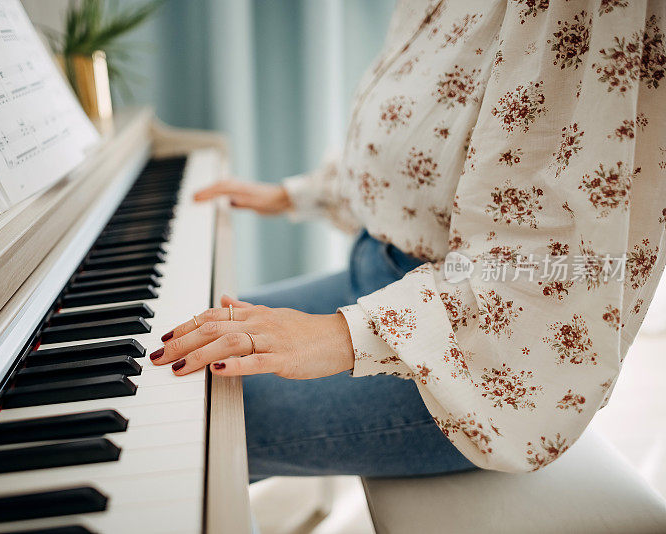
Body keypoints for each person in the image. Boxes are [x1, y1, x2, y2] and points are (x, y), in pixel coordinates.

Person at [151, 0, 666, 479]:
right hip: (382, 276)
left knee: (187, 419)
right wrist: (298, 194)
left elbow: (567, 264)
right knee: (172, 351)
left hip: (477, 356)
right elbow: (426, 140)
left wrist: (340, 337)